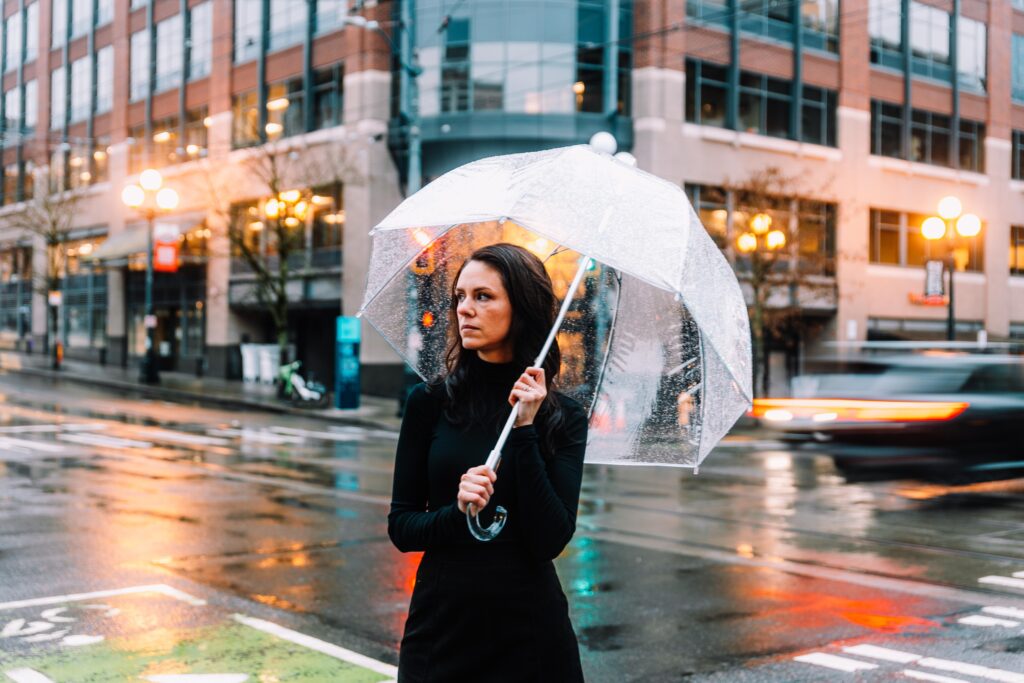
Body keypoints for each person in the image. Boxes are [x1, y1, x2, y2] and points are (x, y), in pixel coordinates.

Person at [388, 242, 589, 682]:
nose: (465, 309)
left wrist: (525, 431)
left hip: (531, 637)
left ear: (522, 307)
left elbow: (550, 539)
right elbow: (402, 528)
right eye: (460, 296)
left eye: (483, 296)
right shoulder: (430, 402)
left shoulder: (563, 417)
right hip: (443, 628)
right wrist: (456, 515)